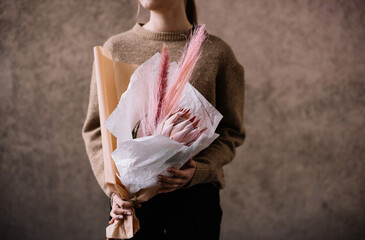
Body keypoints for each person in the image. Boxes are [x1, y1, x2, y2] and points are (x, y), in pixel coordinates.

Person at [81, 0, 246, 239]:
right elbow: (97, 130)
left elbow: (232, 132)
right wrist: (114, 191)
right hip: (132, 203)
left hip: (195, 200)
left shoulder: (217, 53)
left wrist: (199, 170)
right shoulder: (115, 48)